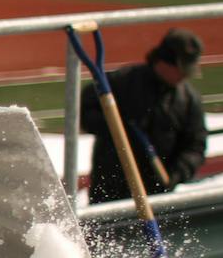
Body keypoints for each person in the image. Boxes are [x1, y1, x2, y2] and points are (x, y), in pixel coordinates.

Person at [78, 27, 208, 206]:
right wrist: (116, 126)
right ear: (165, 61)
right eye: (182, 69)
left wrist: (176, 174)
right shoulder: (122, 82)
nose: (185, 76)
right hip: (111, 189)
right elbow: (85, 114)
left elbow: (195, 146)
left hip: (157, 196)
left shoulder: (188, 99)